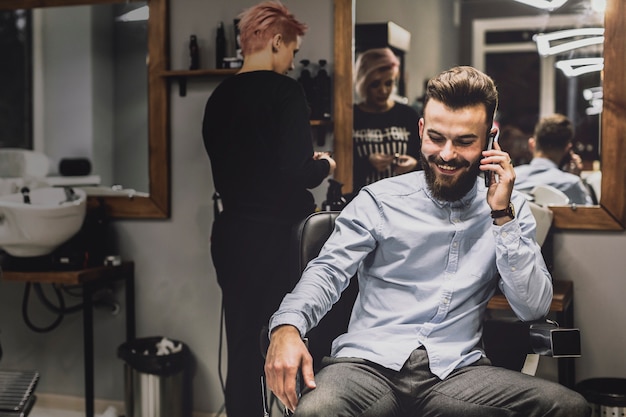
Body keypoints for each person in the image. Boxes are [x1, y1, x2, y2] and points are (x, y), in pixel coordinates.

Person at [264, 66, 590, 417]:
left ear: (489, 141)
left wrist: (501, 217)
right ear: (421, 130)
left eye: (464, 141)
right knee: (318, 412)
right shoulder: (379, 200)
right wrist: (287, 325)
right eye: (436, 138)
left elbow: (533, 308)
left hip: (457, 375)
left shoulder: (509, 210)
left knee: (569, 408)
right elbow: (327, 272)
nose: (447, 154)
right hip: (366, 368)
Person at [201, 2, 336, 416]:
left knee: (243, 345)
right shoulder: (284, 91)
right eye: (292, 51)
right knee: (289, 340)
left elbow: (242, 165)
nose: (291, 61)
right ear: (277, 42)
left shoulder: (219, 96)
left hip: (231, 234)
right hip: (277, 238)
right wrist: (324, 164)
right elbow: (295, 171)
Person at [352, 47, 421, 191]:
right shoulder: (352, 117)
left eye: (388, 83)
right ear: (363, 83)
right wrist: (367, 162)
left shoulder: (407, 115)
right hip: (363, 200)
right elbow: (343, 165)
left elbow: (428, 159)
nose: (383, 91)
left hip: (403, 197)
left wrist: (414, 165)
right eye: (375, 84)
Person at [514, 113, 594, 205]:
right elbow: (590, 216)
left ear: (531, 144)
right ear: (567, 149)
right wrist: (577, 178)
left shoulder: (511, 179)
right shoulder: (572, 184)